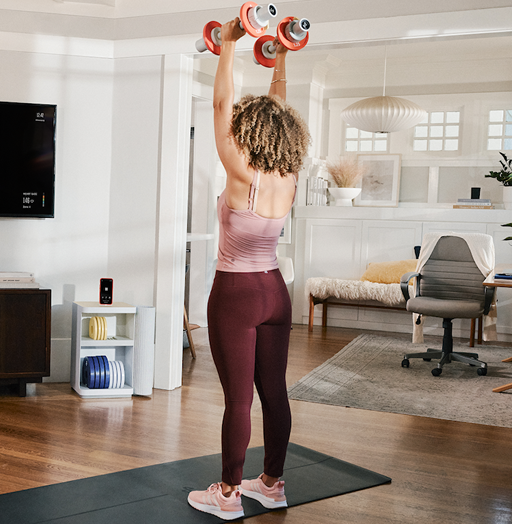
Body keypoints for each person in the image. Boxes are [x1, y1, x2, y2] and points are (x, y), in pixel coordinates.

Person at [187, 18, 311, 521]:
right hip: (275, 292)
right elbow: (278, 107)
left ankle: (229, 493)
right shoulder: (289, 171)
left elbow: (221, 104)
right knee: (274, 391)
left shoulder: (241, 169)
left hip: (236, 293)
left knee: (239, 399)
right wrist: (280, 58)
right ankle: (273, 483)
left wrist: (230, 45)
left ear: (247, 129)